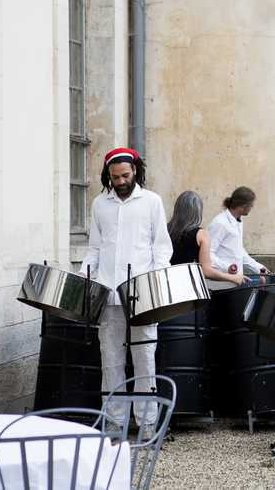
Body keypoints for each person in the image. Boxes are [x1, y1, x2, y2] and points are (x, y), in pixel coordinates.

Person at [81, 147, 172, 437]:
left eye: (125, 175)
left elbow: (161, 247)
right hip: (108, 292)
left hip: (142, 294)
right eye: (115, 177)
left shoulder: (151, 201)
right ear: (108, 176)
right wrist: (85, 272)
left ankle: (146, 423)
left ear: (135, 172)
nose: (120, 181)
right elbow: (95, 247)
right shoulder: (99, 204)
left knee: (145, 357)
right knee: (110, 360)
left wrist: (156, 281)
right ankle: (114, 422)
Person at [168, 190, 247, 284]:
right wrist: (231, 277)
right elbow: (206, 271)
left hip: (169, 285)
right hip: (191, 288)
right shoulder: (202, 235)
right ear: (198, 211)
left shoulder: (166, 230)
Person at [206, 186, 270, 278]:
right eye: (251, 205)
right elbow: (207, 255)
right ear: (242, 207)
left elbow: (238, 250)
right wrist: (227, 267)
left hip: (235, 281)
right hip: (220, 283)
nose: (253, 207)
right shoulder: (220, 224)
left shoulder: (238, 220)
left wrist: (258, 267)